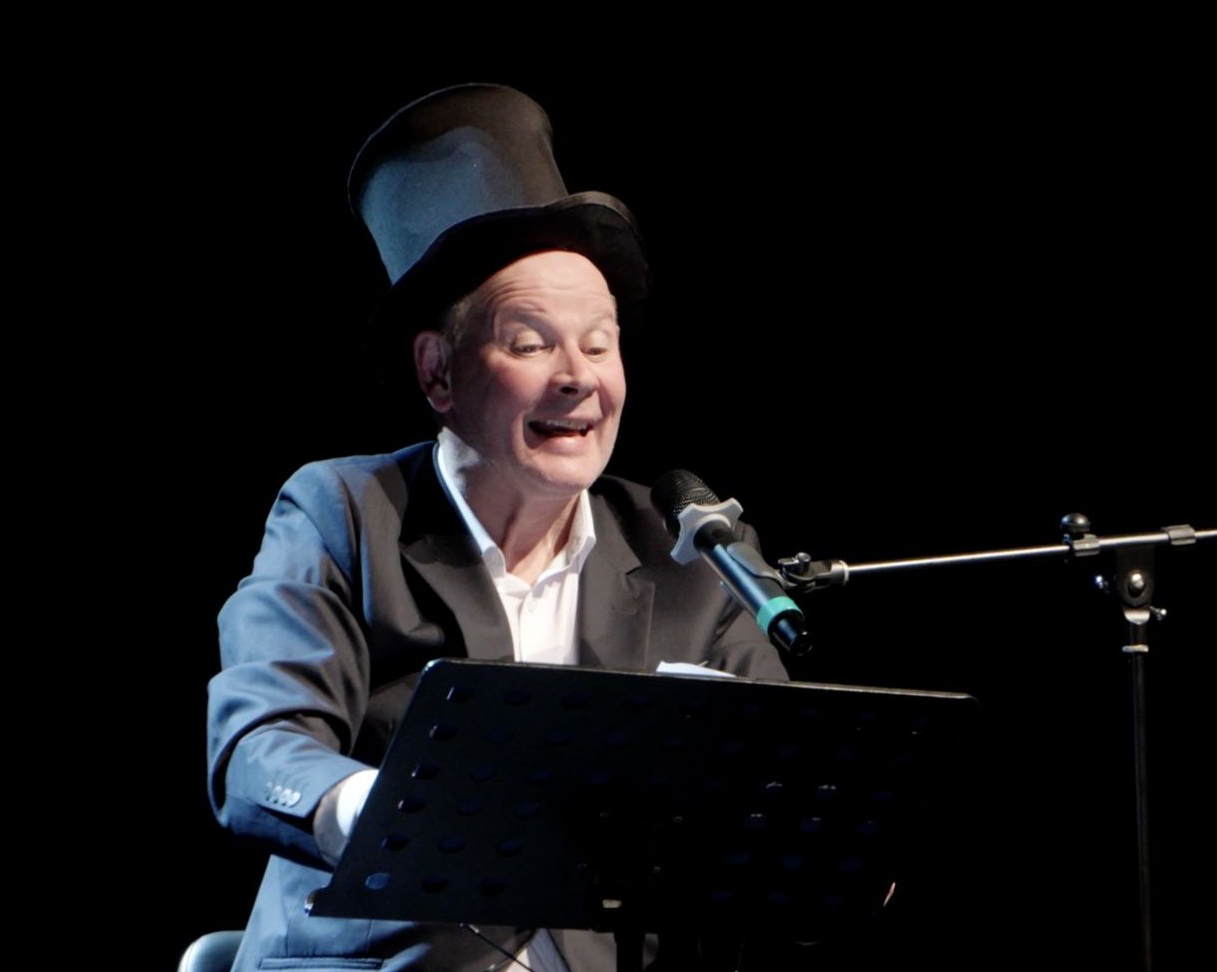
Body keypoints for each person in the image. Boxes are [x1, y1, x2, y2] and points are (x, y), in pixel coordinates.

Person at [207, 83, 788, 972]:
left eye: (599, 343)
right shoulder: (344, 512)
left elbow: (786, 789)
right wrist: (380, 811)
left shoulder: (686, 549)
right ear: (439, 374)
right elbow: (258, 746)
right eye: (530, 343)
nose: (578, 376)